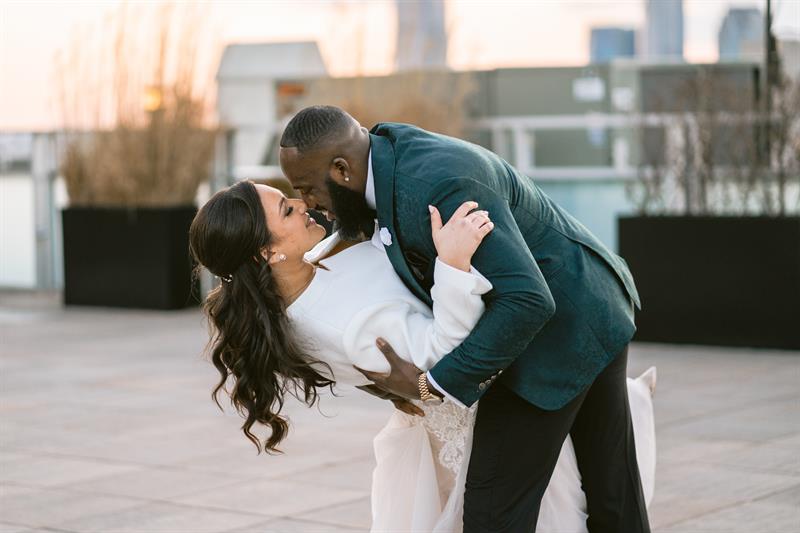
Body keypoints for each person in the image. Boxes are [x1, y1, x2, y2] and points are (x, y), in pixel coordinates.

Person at [189, 179, 656, 532]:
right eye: (288, 211)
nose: (303, 206)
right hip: (478, 412)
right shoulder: (342, 324)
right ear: (267, 253)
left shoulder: (302, 279)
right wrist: (452, 264)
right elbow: (442, 354)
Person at [277, 105, 652, 532]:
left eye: (307, 188)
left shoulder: (439, 187)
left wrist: (432, 385)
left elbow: (528, 301)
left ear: (342, 170)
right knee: (614, 498)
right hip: (592, 299)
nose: (308, 203)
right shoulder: (382, 155)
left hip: (558, 330)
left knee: (493, 515)